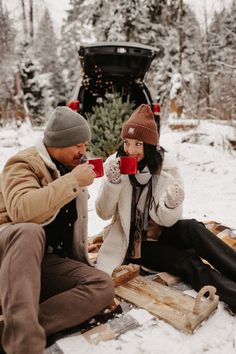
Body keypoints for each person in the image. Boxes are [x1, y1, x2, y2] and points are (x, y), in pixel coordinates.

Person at [95, 104, 236, 314]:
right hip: (135, 243)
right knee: (188, 262)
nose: (130, 150)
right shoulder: (114, 165)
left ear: (150, 145)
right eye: (126, 143)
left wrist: (170, 204)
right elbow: (103, 212)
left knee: (192, 228)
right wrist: (112, 183)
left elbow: (167, 220)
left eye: (138, 144)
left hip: (161, 230)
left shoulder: (166, 168)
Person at [0, 106, 114, 354]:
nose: (83, 151)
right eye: (78, 145)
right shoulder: (22, 164)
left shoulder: (69, 168)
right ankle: (24, 346)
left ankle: (18, 328)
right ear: (57, 143)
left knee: (102, 285)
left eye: (85, 144)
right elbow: (22, 212)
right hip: (9, 254)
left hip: (44, 261)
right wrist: (73, 181)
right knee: (29, 232)